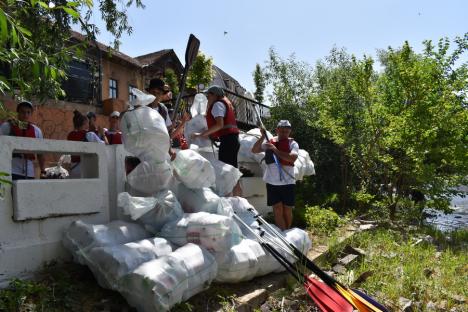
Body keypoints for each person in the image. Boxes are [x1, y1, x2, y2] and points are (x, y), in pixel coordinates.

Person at [191, 85, 242, 195]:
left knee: (227, 172)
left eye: (208, 95)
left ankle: (231, 200)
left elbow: (219, 124)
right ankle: (239, 200)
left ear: (214, 95)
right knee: (232, 170)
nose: (207, 97)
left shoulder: (217, 105)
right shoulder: (224, 103)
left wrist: (201, 134)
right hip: (232, 139)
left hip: (228, 141)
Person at [251, 120, 299, 230]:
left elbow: (292, 158)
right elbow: (254, 150)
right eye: (281, 131)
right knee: (277, 209)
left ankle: (288, 232)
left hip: (288, 182)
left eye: (286, 131)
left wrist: (275, 150)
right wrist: (263, 136)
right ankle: (283, 233)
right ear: (277, 130)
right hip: (272, 183)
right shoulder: (270, 142)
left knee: (287, 209)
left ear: (289, 132)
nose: (284, 133)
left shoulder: (293, 144)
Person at [0, 101, 45, 180]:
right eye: (23, 112)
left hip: (29, 171)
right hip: (11, 170)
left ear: (31, 114)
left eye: (28, 112)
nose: (25, 115)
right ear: (18, 112)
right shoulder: (7, 126)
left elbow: (40, 154)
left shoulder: (36, 131)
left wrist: (43, 171)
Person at [67, 110, 105, 178]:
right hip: (85, 170)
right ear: (85, 123)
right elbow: (104, 145)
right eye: (88, 122)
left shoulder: (70, 135)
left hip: (73, 169)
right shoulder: (89, 135)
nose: (88, 124)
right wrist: (102, 134)